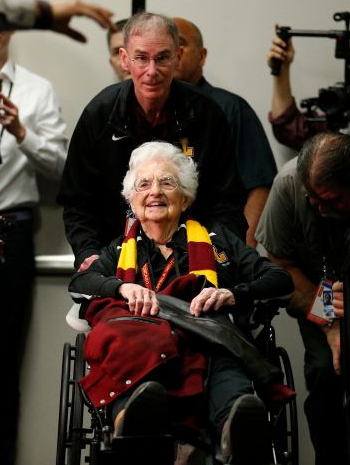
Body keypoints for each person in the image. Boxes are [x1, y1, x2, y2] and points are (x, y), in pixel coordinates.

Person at [68, 141, 294, 464]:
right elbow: (79, 283)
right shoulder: (119, 251)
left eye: (167, 182)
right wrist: (121, 289)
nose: (154, 191)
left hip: (208, 338)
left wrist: (233, 294)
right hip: (146, 349)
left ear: (186, 196)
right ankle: (133, 426)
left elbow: (280, 280)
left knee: (222, 352)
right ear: (132, 199)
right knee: (136, 356)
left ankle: (235, 428)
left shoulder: (219, 241)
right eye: (143, 184)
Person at [0, 0, 68, 464]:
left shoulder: (37, 89)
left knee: (6, 357)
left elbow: (63, 170)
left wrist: (22, 131)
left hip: (14, 227)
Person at [256, 131, 350, 465]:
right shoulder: (288, 185)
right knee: (324, 372)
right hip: (316, 295)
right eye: (314, 200)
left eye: (332, 200)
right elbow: (279, 267)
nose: (321, 209)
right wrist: (331, 323)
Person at [58, 11, 247, 272]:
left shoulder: (206, 114)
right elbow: (77, 201)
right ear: (125, 59)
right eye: (141, 58)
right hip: (116, 260)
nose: (152, 71)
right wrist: (88, 253)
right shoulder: (99, 115)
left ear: (177, 57)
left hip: (192, 260)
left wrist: (220, 256)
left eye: (162, 58)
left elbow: (227, 201)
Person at [172, 17, 277, 247]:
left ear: (202, 55)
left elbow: (259, 186)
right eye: (167, 47)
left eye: (181, 43)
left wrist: (241, 250)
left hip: (217, 243)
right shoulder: (152, 109)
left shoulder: (230, 108)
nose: (174, 53)